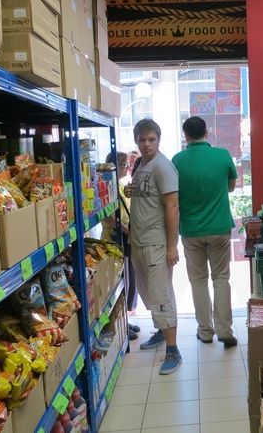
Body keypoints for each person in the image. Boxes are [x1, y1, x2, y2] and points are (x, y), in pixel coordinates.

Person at [172, 116, 238, 348]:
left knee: (198, 281)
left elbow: (174, 194)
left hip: (191, 230)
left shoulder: (177, 160)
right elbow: (230, 187)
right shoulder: (223, 155)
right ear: (206, 133)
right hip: (219, 228)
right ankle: (225, 330)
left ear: (185, 136)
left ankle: (205, 331)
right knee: (221, 278)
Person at [123, 119, 182, 374]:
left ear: (158, 139)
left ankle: (173, 350)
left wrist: (172, 246)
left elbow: (172, 206)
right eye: (142, 140)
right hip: (138, 241)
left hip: (156, 242)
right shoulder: (141, 164)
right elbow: (148, 194)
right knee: (148, 293)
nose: (146, 144)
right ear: (136, 140)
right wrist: (132, 190)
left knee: (161, 295)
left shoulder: (163, 167)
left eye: (151, 139)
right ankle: (160, 331)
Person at [101, 151, 140, 341]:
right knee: (119, 282)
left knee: (129, 280)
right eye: (124, 164)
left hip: (125, 238)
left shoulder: (121, 185)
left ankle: (124, 319)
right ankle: (120, 323)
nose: (127, 167)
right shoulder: (107, 188)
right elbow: (108, 217)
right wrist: (126, 230)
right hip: (115, 239)